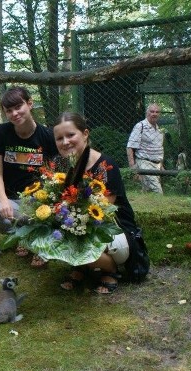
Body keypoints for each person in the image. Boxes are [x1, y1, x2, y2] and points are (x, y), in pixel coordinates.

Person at [55, 112, 140, 294]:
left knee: (72, 237)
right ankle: (82, 267)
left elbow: (103, 211)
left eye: (71, 135)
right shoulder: (61, 166)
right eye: (59, 138)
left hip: (110, 228)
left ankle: (110, 269)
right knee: (51, 235)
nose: (65, 142)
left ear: (85, 134)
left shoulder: (105, 165)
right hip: (76, 222)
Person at [0, 86, 58, 266]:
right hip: (11, 202)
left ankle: (36, 239)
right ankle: (20, 235)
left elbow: (54, 176)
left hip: (38, 202)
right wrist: (3, 201)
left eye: (18, 107)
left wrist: (45, 204)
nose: (14, 113)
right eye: (9, 110)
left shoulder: (48, 136)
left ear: (29, 104)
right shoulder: (1, 132)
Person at [126, 103, 164, 193]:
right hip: (145, 162)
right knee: (157, 192)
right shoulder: (140, 126)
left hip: (157, 165)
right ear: (147, 113)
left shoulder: (159, 129)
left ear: (159, 114)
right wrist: (133, 167)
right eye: (152, 111)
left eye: (157, 112)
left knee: (148, 192)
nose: (154, 114)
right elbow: (130, 147)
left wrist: (161, 164)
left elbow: (160, 148)